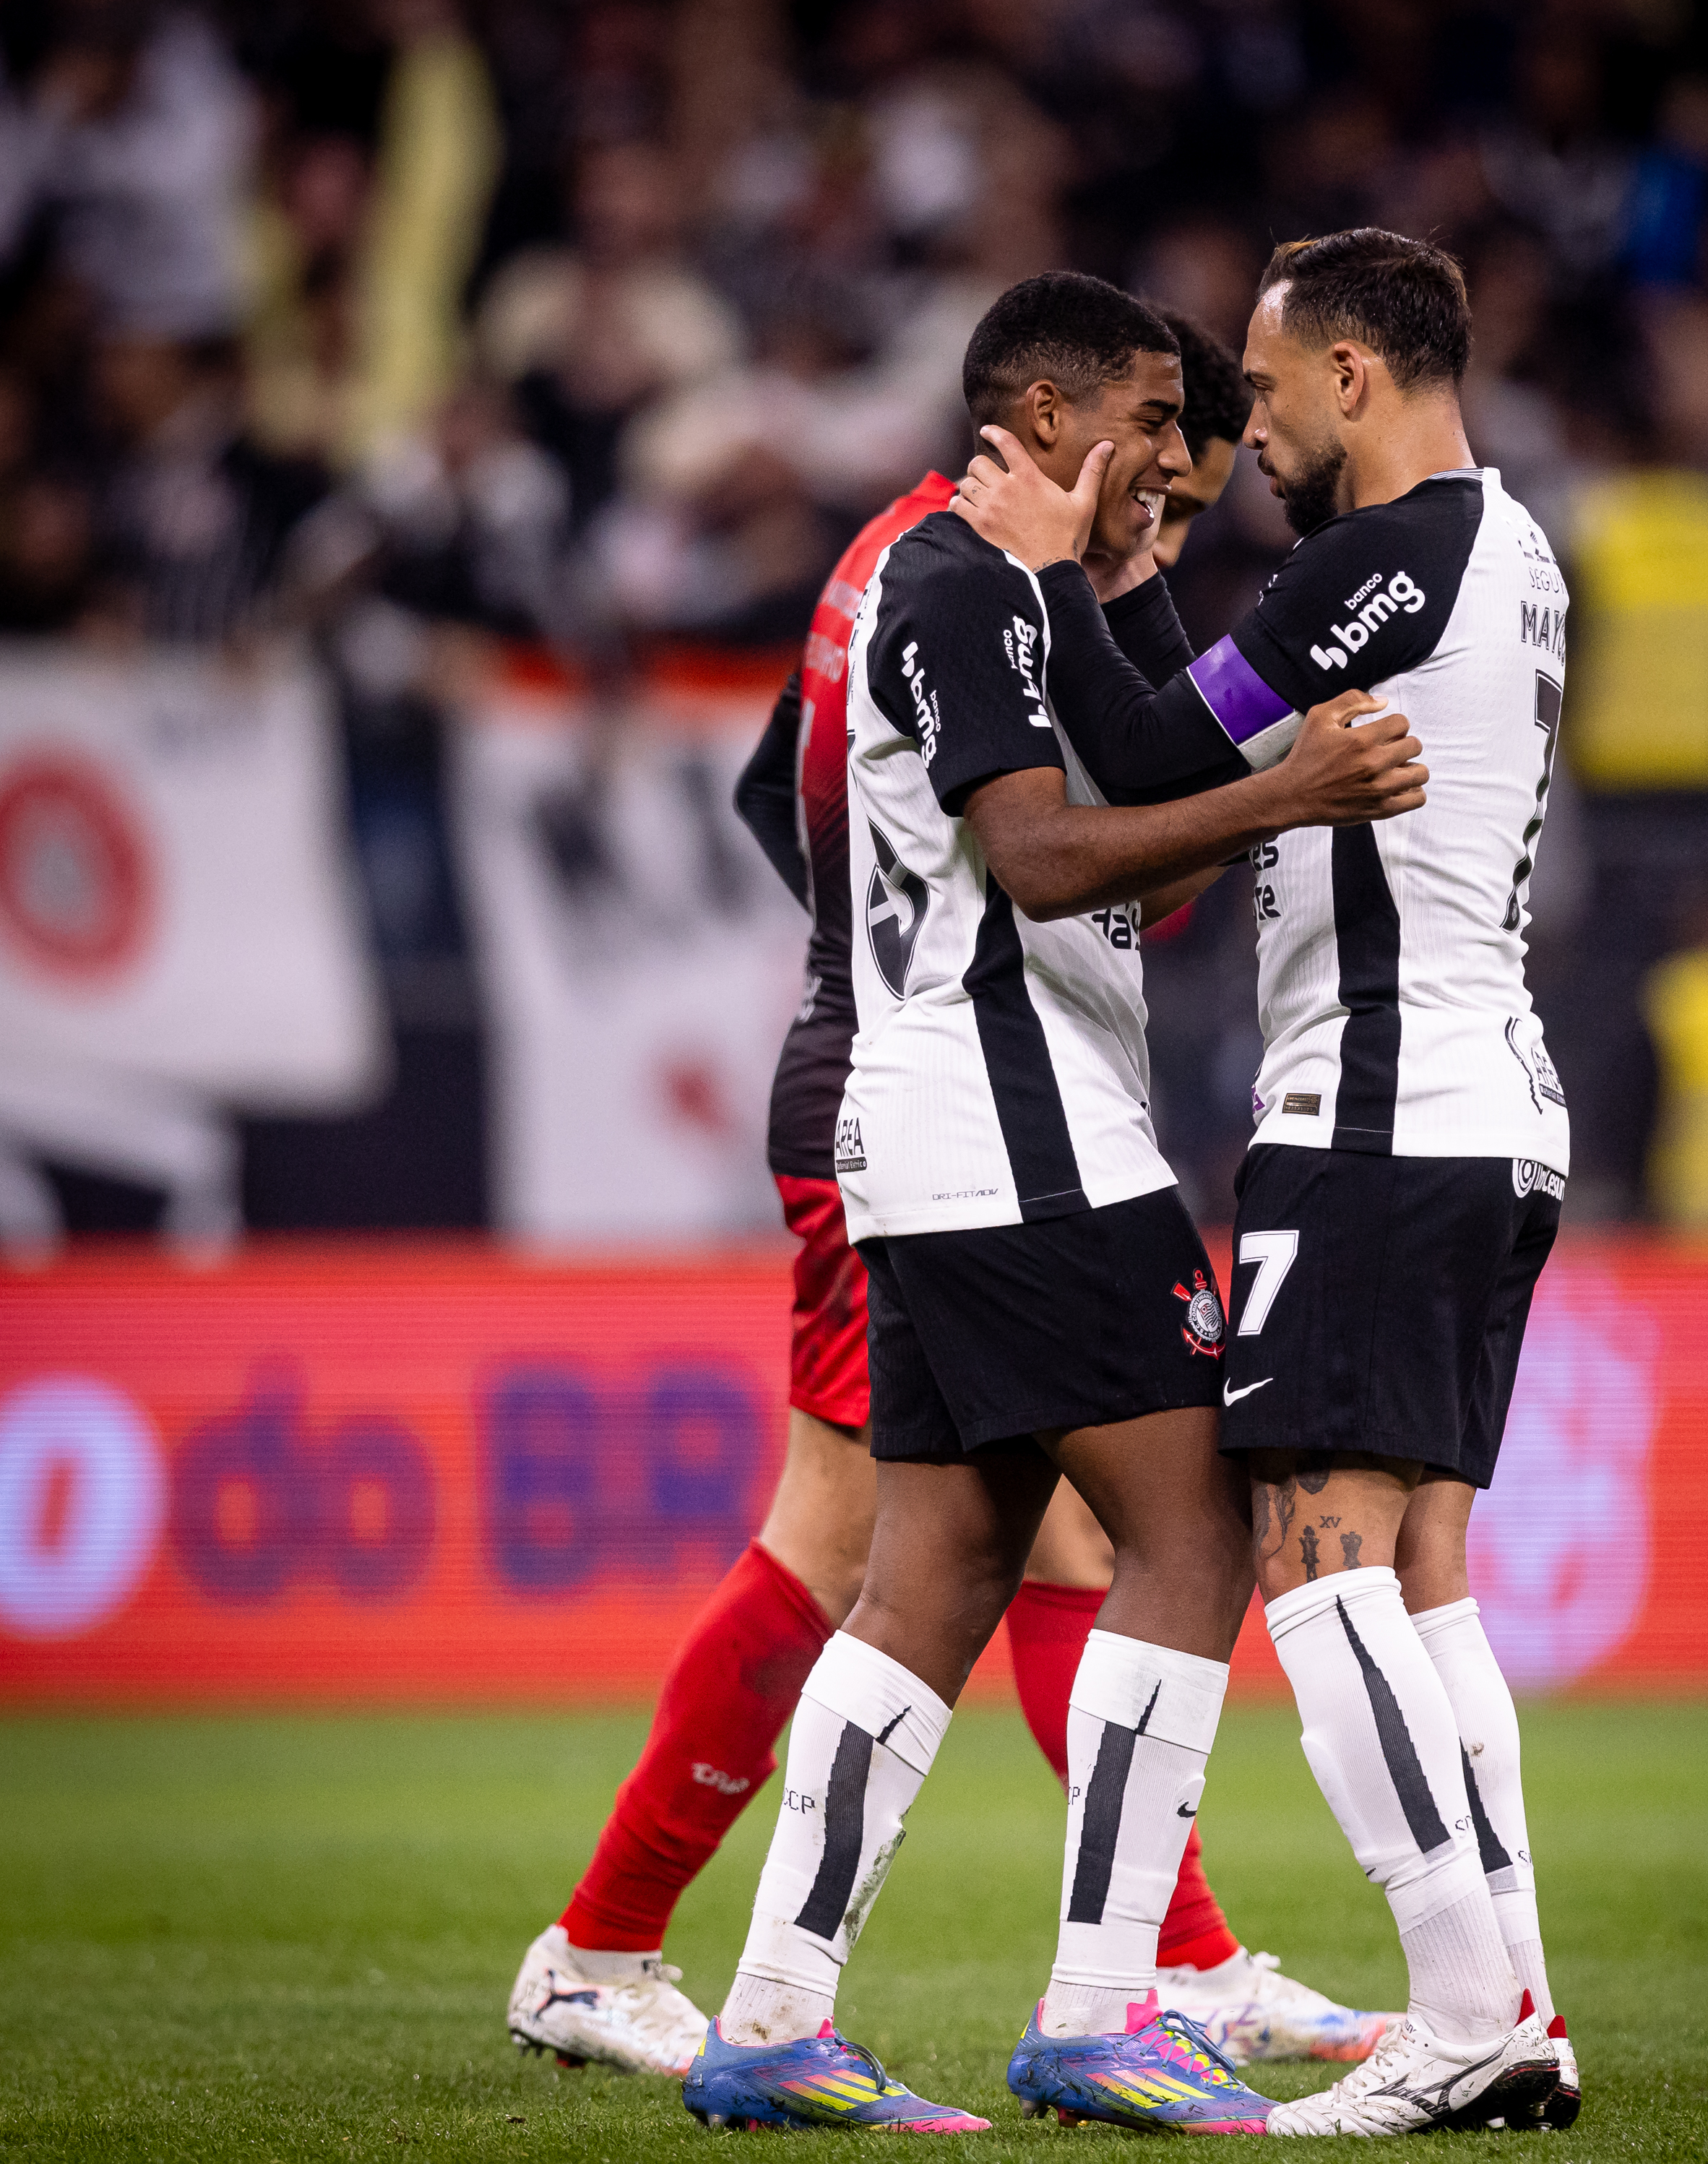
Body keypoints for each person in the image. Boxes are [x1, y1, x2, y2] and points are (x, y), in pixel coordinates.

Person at [504, 309, 1394, 2079]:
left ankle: (1097, 1972)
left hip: (899, 1074)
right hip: (969, 1097)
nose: (1165, 510)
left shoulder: (876, 563)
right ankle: (616, 1942)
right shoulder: (976, 580)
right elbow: (1067, 855)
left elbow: (789, 793)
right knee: (901, 1541)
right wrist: (941, 959)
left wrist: (885, 941)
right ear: (1063, 416)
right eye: (1161, 462)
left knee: (1012, 1543)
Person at [949, 227, 1579, 2134]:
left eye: (1271, 376)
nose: (1253, 418)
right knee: (1431, 1574)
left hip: (1379, 1110)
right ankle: (1518, 2002)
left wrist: (1082, 574)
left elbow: (1138, 757)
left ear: (1357, 375)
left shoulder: (1386, 556)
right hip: (1492, 1102)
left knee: (1313, 1559)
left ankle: (1462, 2007)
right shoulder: (1517, 549)